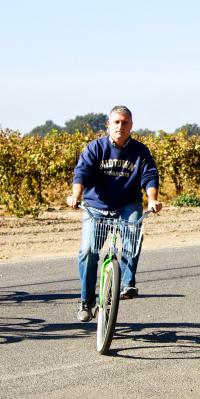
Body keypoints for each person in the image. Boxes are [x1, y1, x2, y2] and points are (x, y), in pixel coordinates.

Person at [66, 105, 162, 323]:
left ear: (131, 126)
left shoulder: (140, 151)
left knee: (132, 236)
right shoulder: (95, 148)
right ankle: (86, 300)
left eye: (125, 122)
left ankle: (127, 283)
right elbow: (81, 172)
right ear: (108, 125)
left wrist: (153, 199)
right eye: (116, 122)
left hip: (127, 205)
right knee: (88, 250)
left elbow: (149, 176)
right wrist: (76, 196)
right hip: (96, 207)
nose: (120, 126)